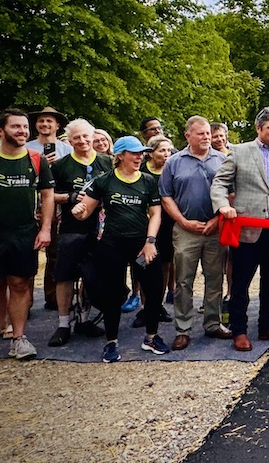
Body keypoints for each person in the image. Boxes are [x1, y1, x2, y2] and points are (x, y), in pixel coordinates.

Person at [211, 106, 269, 351]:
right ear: (258, 128)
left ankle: (267, 326)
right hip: (247, 231)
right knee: (240, 284)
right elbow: (219, 182)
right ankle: (239, 331)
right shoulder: (239, 152)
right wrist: (222, 206)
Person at [0, 109, 54, 371]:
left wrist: (45, 229)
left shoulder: (37, 160)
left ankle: (19, 339)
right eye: (16, 127)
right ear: (0, 131)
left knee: (20, 286)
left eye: (25, 128)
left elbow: (48, 196)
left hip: (25, 234)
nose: (22, 132)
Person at [70, 136, 166, 363]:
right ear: (120, 155)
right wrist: (79, 211)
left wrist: (150, 241)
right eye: (134, 153)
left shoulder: (148, 181)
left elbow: (156, 214)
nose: (139, 157)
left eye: (141, 153)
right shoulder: (104, 181)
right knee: (111, 295)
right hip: (111, 245)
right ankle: (111, 342)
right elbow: (86, 210)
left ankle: (151, 337)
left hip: (142, 245)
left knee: (153, 290)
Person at [160, 116, 231, 351]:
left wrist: (215, 220)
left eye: (208, 133)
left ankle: (213, 323)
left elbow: (231, 194)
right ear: (187, 135)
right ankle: (183, 329)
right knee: (183, 280)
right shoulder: (174, 162)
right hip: (185, 230)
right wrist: (182, 221)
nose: (206, 137)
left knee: (214, 278)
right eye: (200, 133)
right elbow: (166, 196)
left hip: (214, 228)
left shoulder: (222, 160)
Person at [47, 119, 113, 347]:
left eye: (86, 137)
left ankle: (85, 319)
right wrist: (70, 197)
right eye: (77, 138)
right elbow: (48, 195)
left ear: (93, 136)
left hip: (100, 229)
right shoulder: (61, 165)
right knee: (65, 275)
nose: (83, 141)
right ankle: (64, 323)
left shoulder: (106, 162)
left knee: (92, 275)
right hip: (70, 229)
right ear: (69, 140)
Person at [27, 106, 71, 311]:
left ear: (57, 125)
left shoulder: (66, 149)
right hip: (30, 204)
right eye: (41, 121)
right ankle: (24, 302)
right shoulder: (27, 147)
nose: (45, 124)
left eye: (49, 121)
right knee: (28, 254)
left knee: (55, 252)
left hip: (57, 204)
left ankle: (52, 297)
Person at [139, 136, 175, 328]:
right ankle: (145, 307)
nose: (166, 154)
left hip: (168, 223)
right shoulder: (142, 171)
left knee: (166, 265)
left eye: (169, 151)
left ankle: (158, 305)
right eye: (162, 150)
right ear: (151, 152)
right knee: (145, 265)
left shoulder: (172, 170)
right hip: (145, 224)